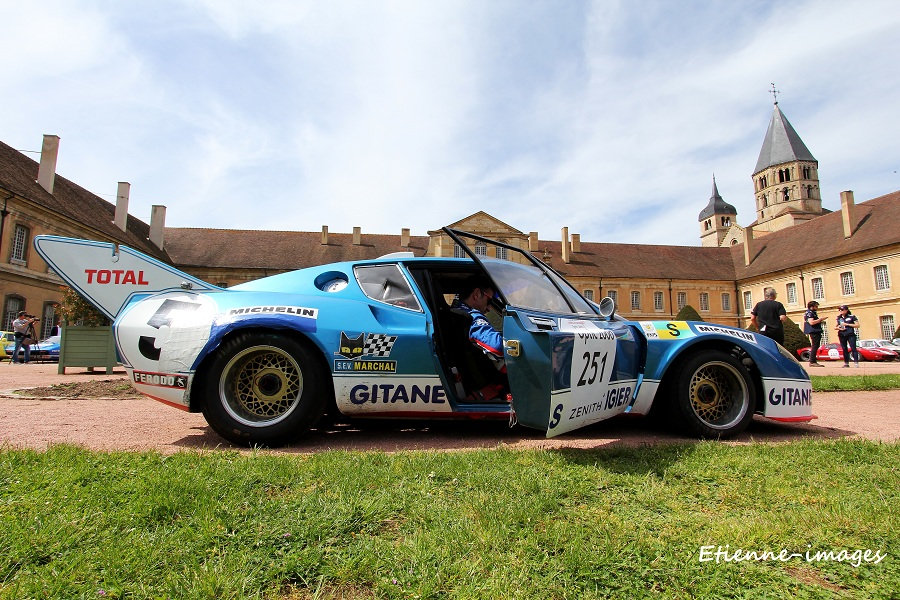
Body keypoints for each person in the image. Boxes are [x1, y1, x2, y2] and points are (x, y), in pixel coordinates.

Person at [451, 276, 503, 358]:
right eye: (489, 301)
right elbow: (498, 346)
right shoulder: (472, 316)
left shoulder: (454, 311)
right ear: (477, 294)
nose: (489, 308)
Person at [803, 300, 827, 366]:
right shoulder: (810, 313)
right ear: (812, 307)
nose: (817, 308)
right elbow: (811, 322)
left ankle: (813, 361)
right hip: (814, 331)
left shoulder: (812, 313)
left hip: (815, 331)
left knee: (815, 346)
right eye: (816, 306)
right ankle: (812, 361)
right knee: (815, 346)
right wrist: (820, 319)